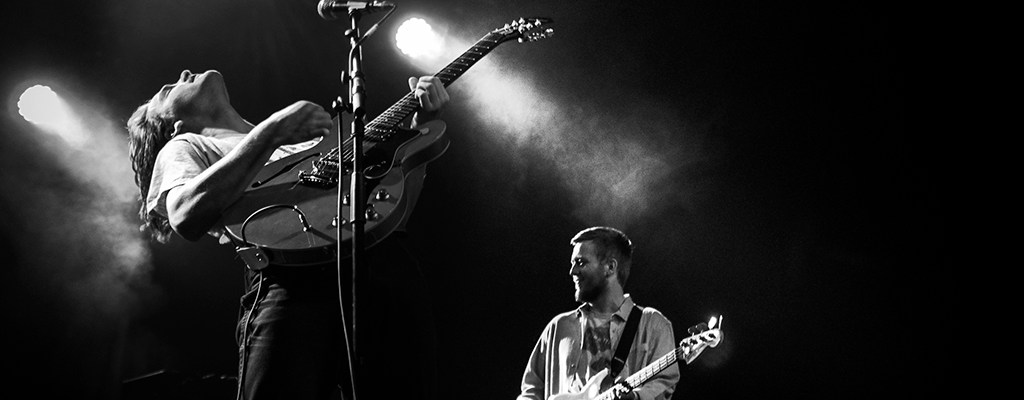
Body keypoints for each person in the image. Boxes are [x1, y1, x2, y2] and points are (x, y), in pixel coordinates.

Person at [127, 69, 450, 400]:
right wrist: (272, 132)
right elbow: (184, 214)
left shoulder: (310, 142)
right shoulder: (187, 144)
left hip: (381, 267)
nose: (182, 74)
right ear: (173, 126)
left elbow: (391, 210)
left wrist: (419, 136)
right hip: (292, 282)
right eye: (168, 90)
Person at [518, 227, 680, 400]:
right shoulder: (559, 326)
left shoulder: (653, 324)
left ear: (610, 267)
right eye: (572, 263)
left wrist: (635, 397)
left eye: (580, 263)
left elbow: (664, 383)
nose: (572, 271)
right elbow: (531, 392)